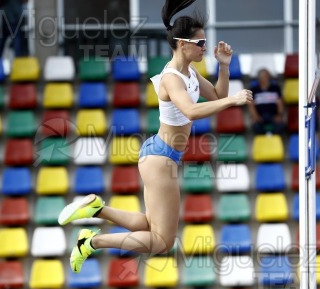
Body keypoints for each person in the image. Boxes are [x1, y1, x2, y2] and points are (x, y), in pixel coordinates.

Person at [58, 0, 253, 273]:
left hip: (160, 155)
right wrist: (233, 101)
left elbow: (217, 95)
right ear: (182, 45)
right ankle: (91, 242)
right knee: (162, 241)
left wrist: (223, 66)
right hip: (161, 158)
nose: (205, 47)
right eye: (200, 43)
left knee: (150, 227)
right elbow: (192, 111)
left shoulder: (191, 73)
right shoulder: (171, 78)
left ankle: (96, 209)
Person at [248, 68, 285, 134]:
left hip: (273, 116)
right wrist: (255, 116)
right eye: (263, 76)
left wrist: (279, 115)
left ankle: (273, 141)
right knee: (256, 127)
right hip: (260, 116)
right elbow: (251, 105)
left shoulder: (275, 88)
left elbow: (280, 103)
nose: (266, 78)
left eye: (267, 76)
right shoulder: (254, 90)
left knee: (280, 126)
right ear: (259, 78)